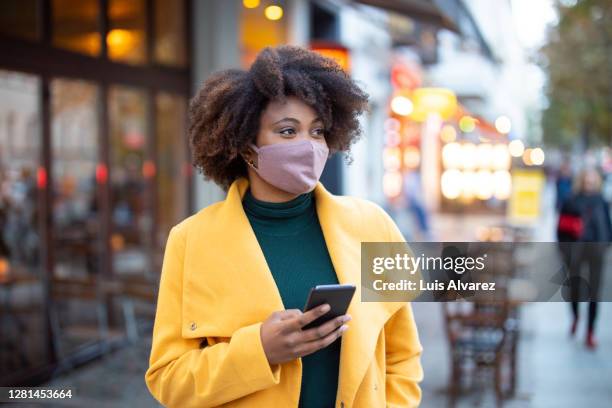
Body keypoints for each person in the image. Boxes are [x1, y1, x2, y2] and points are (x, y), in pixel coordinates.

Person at [144, 46, 423, 407]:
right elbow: (168, 379)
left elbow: (403, 356)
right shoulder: (190, 241)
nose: (309, 147)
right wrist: (259, 350)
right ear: (246, 146)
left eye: (318, 131)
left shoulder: (375, 226)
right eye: (288, 131)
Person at [558, 168, 612, 349]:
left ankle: (590, 332)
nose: (589, 182)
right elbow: (561, 229)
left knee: (595, 293)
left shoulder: (601, 201)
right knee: (575, 287)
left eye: (592, 179)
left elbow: (607, 224)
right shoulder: (571, 201)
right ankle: (575, 316)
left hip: (597, 250)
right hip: (576, 250)